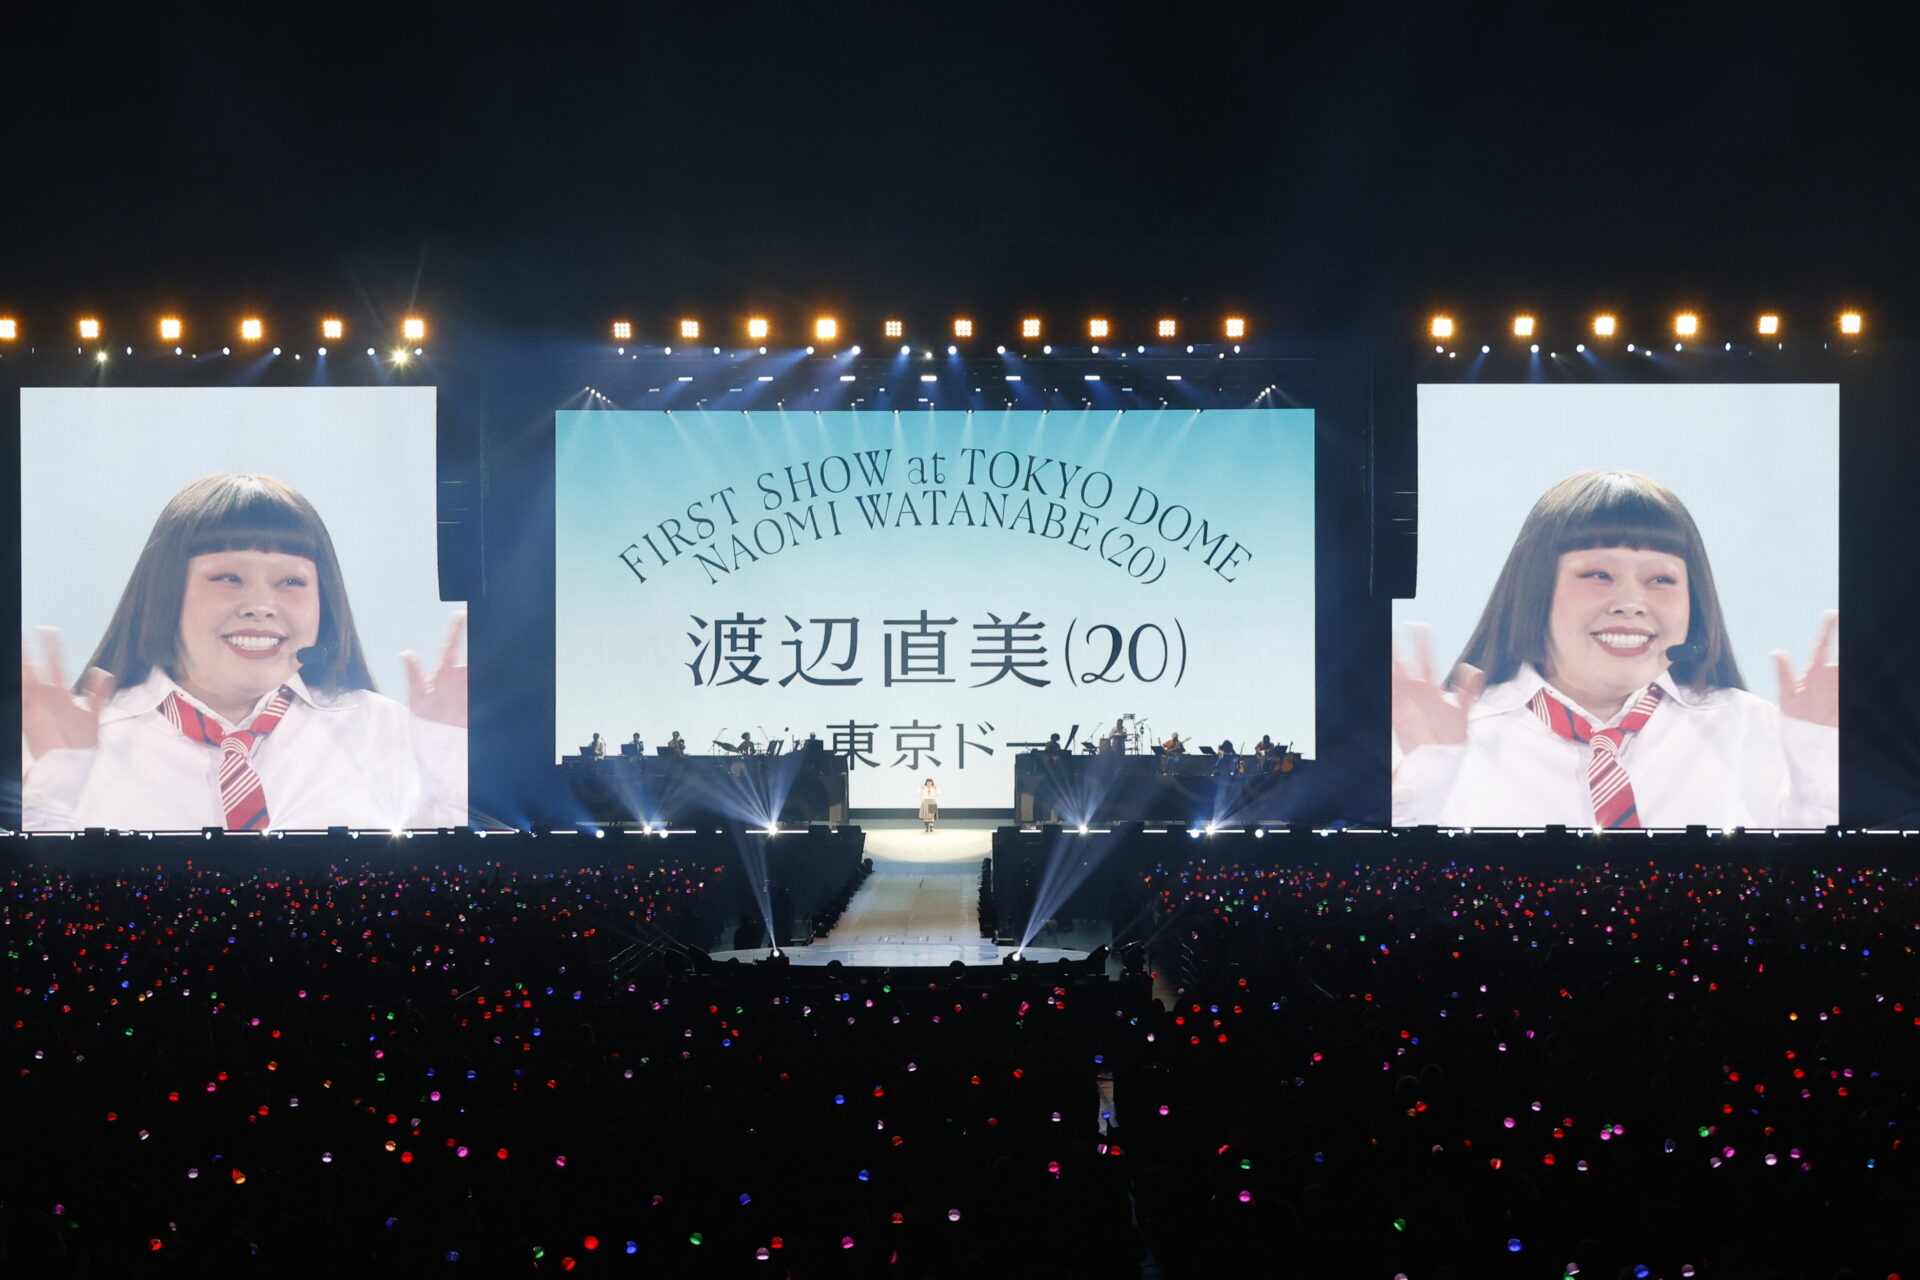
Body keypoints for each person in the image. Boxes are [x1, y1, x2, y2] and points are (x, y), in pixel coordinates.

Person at [1392, 470, 1837, 829]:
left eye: (1661, 579)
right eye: (1598, 575)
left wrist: (1820, 756)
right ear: (1535, 590)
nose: (1631, 603)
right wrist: (1428, 771)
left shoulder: (1751, 729)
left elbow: (1815, 888)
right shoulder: (1441, 742)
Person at [20, 473, 467, 832]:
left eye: (290, 581)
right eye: (228, 578)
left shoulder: (383, 732)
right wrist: (56, 786)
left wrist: (446, 773)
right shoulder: (69, 745)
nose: (261, 606)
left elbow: (441, 898)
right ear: (166, 593)